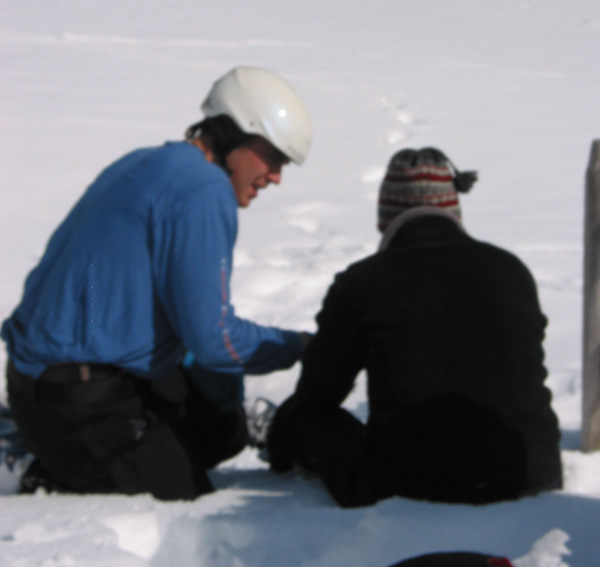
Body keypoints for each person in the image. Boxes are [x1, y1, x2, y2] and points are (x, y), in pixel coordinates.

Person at [1, 66, 313, 500]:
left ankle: (51, 448)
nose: (277, 176)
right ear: (234, 133)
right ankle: (38, 471)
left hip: (52, 379)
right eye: (273, 157)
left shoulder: (149, 161)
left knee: (222, 432)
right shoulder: (204, 191)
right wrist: (300, 346)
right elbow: (214, 340)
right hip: (77, 399)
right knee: (184, 503)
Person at [266, 147, 563, 508]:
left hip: (412, 488)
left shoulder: (363, 283)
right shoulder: (511, 270)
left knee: (305, 417)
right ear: (455, 211)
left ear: (385, 221)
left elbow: (317, 396)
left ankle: (270, 442)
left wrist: (285, 433)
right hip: (531, 475)